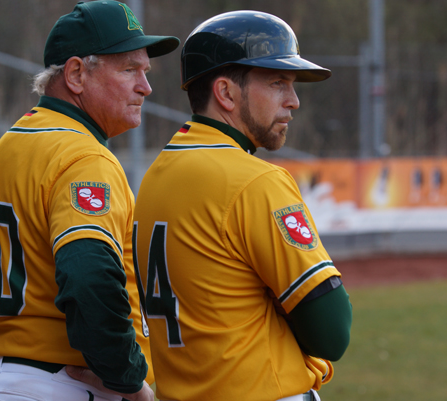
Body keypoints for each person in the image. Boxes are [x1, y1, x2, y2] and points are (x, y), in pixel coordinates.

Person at [0, 1, 179, 400]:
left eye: (145, 71)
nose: (145, 86)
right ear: (76, 74)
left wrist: (11, 346)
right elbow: (89, 275)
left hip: (1, 382)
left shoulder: (9, 146)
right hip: (60, 385)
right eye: (129, 69)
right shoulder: (84, 157)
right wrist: (127, 377)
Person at [131, 11, 352, 401]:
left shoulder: (156, 176)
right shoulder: (254, 180)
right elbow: (332, 331)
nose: (294, 101)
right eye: (278, 82)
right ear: (226, 93)